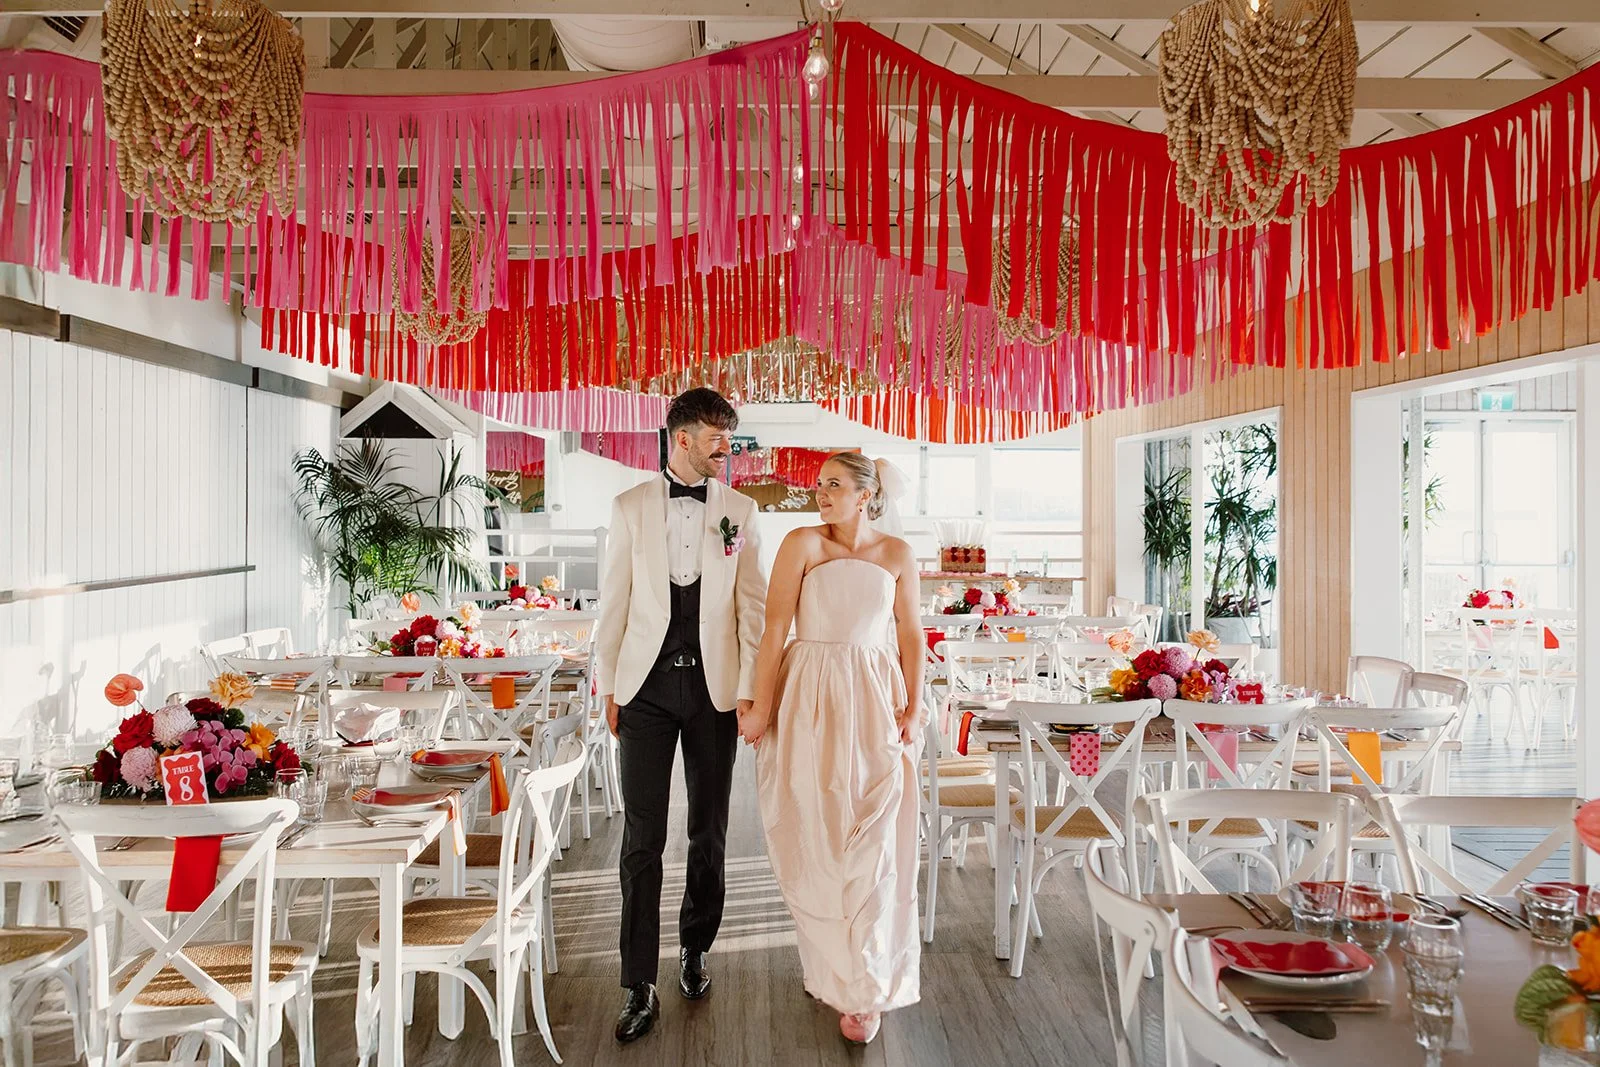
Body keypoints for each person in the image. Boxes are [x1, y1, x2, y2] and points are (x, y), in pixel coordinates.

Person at [593, 387, 768, 1044]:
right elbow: (614, 603)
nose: (728, 447)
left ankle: (695, 947)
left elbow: (753, 610)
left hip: (716, 693)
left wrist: (749, 690)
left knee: (710, 831)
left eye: (730, 435)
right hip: (643, 690)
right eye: (717, 435)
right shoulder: (630, 507)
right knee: (641, 837)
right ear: (682, 437)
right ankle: (637, 981)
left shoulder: (743, 511)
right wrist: (608, 685)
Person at [742, 452, 925, 1044]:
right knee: (817, 838)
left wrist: (915, 705)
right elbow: (774, 630)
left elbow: (910, 633)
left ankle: (864, 987)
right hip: (810, 698)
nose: (821, 493)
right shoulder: (802, 543)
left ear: (866, 495)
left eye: (835, 485)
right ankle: (832, 966)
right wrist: (762, 705)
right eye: (819, 485)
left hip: (874, 698)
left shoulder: (897, 554)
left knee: (875, 842)